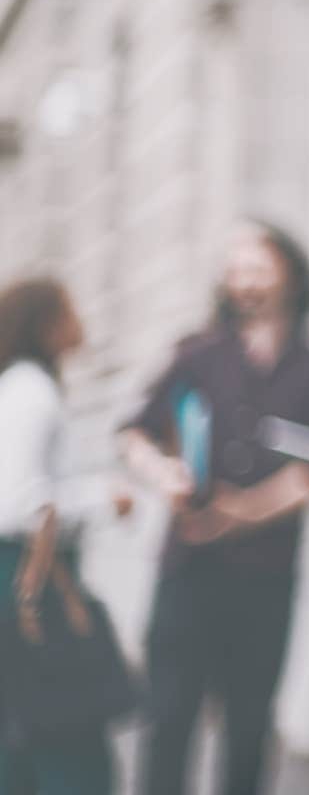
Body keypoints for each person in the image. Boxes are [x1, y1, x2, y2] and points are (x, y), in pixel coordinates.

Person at [120, 223, 309, 795]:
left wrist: (240, 511)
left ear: (291, 273)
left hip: (265, 579)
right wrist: (164, 474)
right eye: (235, 269)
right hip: (187, 573)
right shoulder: (195, 354)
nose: (244, 280)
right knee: (167, 725)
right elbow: (133, 435)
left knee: (248, 732)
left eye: (257, 266)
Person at [0, 278, 126, 795]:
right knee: (67, 743)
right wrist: (102, 499)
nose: (81, 319)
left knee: (29, 733)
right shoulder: (31, 389)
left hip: (27, 576)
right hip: (33, 582)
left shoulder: (25, 385)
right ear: (45, 322)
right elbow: (16, 505)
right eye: (70, 309)